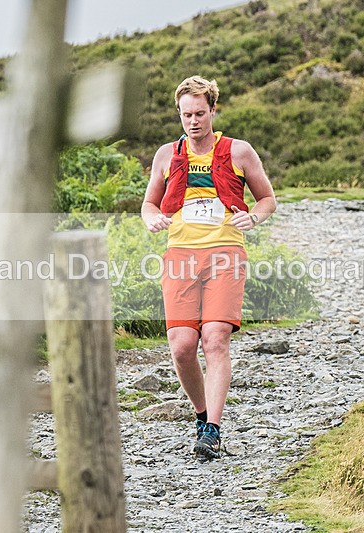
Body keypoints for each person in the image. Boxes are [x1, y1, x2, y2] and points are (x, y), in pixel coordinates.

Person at [141, 75, 277, 460]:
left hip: (225, 253)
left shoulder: (239, 152)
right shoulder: (166, 155)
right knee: (183, 347)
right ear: (179, 115)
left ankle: (213, 431)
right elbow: (149, 204)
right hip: (180, 255)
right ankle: (202, 417)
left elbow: (267, 198)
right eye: (187, 114)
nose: (193, 121)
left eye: (200, 113)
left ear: (213, 110)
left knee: (215, 338)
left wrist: (254, 217)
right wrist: (150, 217)